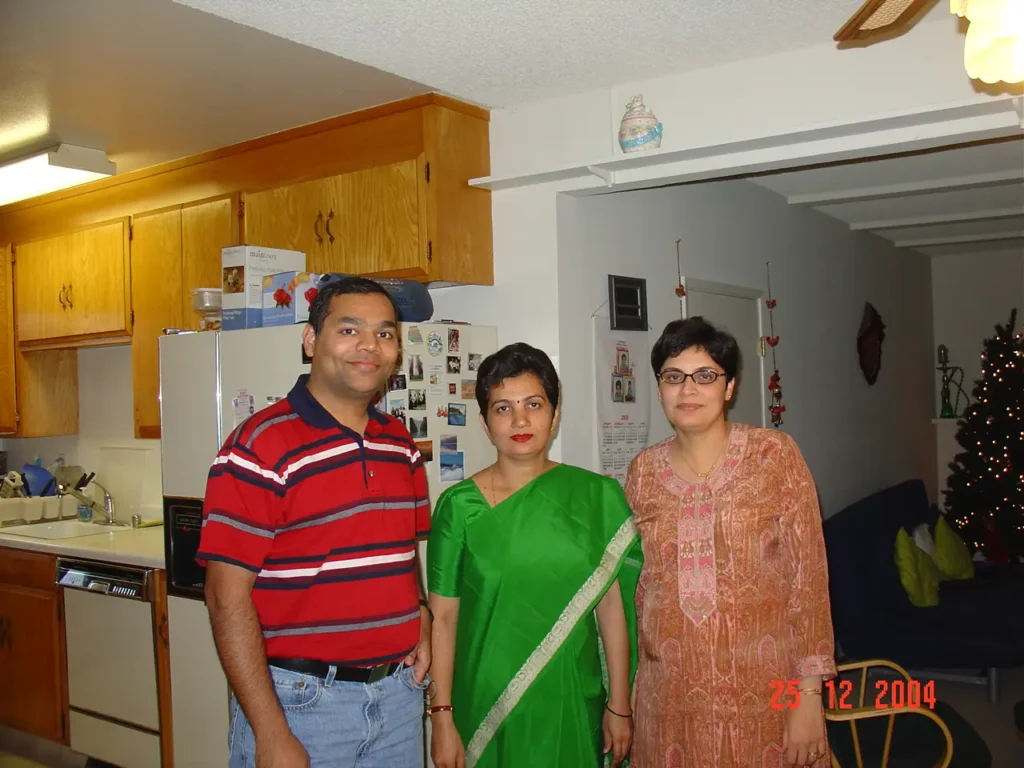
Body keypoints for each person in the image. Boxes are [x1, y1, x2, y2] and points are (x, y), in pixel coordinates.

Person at [197, 276, 433, 768]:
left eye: (385, 333)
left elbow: (399, 554)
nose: (369, 346)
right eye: (349, 330)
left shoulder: (401, 445)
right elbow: (225, 594)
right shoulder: (258, 446)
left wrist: (422, 614)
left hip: (398, 698)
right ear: (311, 341)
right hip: (300, 703)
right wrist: (269, 729)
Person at [626, 317, 836, 768]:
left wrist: (808, 697)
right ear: (660, 387)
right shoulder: (642, 472)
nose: (688, 390)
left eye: (705, 376)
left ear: (729, 387)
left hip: (766, 696)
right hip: (668, 702)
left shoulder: (774, 455)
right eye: (673, 377)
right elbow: (639, 588)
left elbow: (809, 585)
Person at [427, 343, 644, 768]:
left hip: (571, 696)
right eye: (502, 408)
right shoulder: (459, 506)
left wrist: (620, 705)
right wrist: (441, 716)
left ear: (555, 414)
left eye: (533, 404)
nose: (520, 420)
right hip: (485, 701)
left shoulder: (595, 497)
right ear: (486, 424)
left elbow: (612, 610)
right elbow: (444, 618)